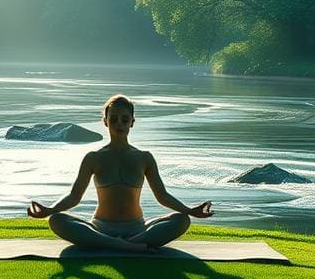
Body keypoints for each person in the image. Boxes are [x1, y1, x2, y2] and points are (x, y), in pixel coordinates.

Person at [27, 94, 214, 251]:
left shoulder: (144, 157)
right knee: (57, 220)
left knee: (182, 220)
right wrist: (50, 210)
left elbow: (162, 196)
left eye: (125, 119)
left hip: (137, 228)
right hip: (100, 227)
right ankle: (123, 245)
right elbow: (74, 195)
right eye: (114, 119)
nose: (119, 124)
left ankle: (121, 244)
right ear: (105, 122)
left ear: (132, 122)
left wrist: (190, 211)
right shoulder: (93, 158)